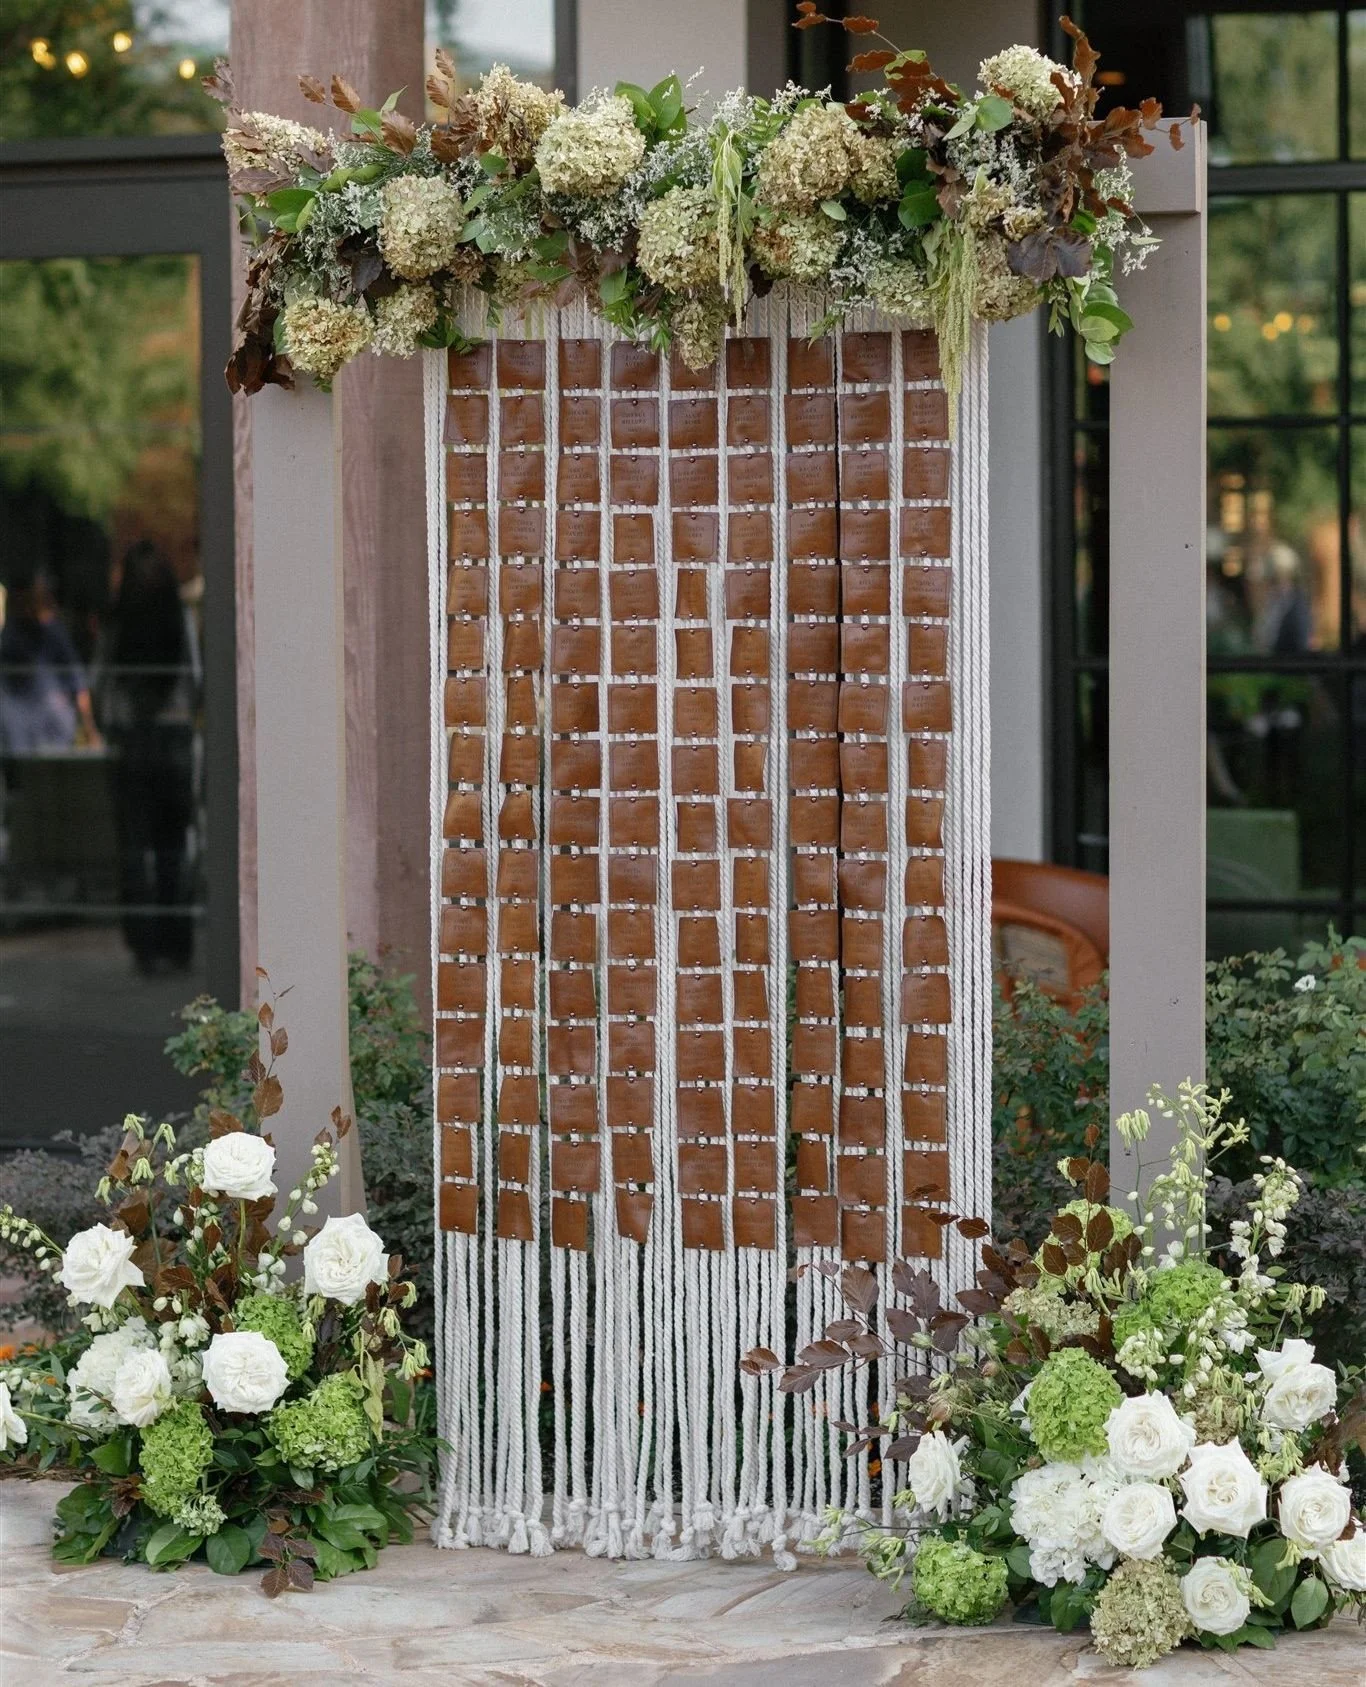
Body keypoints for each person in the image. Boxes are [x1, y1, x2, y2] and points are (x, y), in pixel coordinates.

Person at [98, 542, 200, 975]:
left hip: (132, 743)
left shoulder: (118, 624)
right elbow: (195, 680)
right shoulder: (177, 621)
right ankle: (174, 942)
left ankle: (144, 945)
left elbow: (100, 683)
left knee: (136, 849)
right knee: (173, 847)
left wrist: (114, 727)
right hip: (174, 739)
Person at [0, 577, 99, 753]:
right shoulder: (10, 637)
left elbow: (79, 686)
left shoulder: (53, 633)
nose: (25, 608)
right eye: (19, 603)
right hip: (18, 726)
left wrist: (90, 730)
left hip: (52, 724)